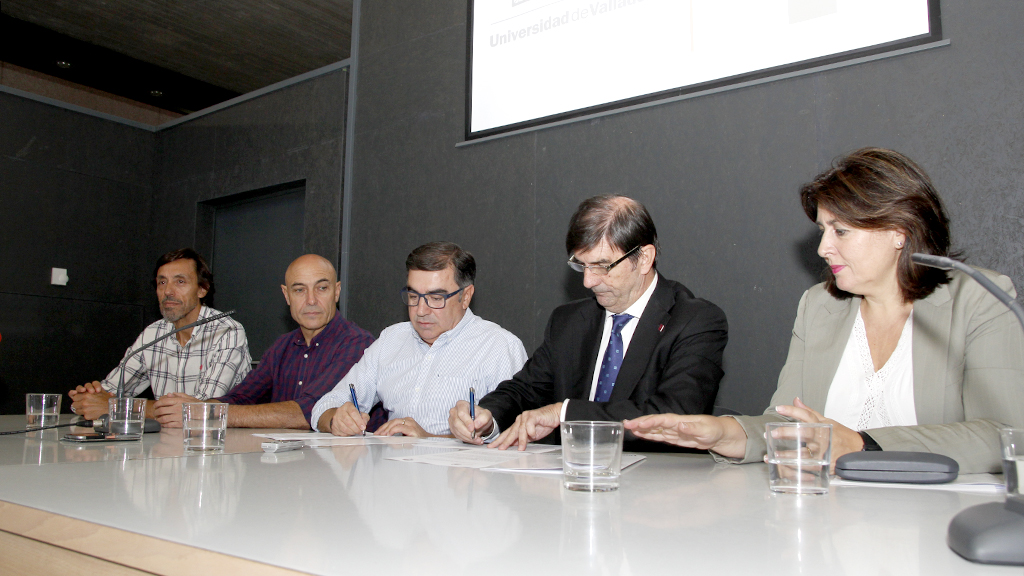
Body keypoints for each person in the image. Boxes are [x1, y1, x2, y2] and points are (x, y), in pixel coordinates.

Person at [625, 148, 1024, 474]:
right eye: (822, 230)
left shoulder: (977, 299)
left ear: (899, 231)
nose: (823, 248)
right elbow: (788, 424)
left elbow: (1005, 434)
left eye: (841, 231)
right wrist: (726, 433)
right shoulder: (818, 305)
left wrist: (864, 445)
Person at [449, 195, 729, 450]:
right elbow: (526, 389)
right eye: (581, 265)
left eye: (602, 266)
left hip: (656, 481)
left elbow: (676, 415)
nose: (588, 281)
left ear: (644, 258)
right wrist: (487, 417)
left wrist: (565, 413)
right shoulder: (569, 322)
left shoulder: (695, 321)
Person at [312, 242, 528, 437]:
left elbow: (514, 435)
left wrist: (428, 440)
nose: (421, 310)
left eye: (436, 298)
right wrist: (335, 420)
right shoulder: (391, 340)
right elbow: (325, 406)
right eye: (413, 296)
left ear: (466, 296)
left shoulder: (498, 347)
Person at [151, 254, 375, 428]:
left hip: (333, 466)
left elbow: (309, 411)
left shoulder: (357, 343)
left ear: (336, 292)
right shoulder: (282, 346)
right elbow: (241, 397)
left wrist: (206, 414)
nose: (311, 300)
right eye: (299, 290)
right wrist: (198, 407)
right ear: (286, 295)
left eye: (322, 288)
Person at [68, 248, 251, 420]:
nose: (168, 291)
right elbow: (110, 391)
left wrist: (113, 406)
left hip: (220, 438)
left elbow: (199, 409)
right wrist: (87, 399)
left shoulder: (227, 331)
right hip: (166, 438)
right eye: (162, 282)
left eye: (180, 282)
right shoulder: (153, 333)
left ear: (202, 289)